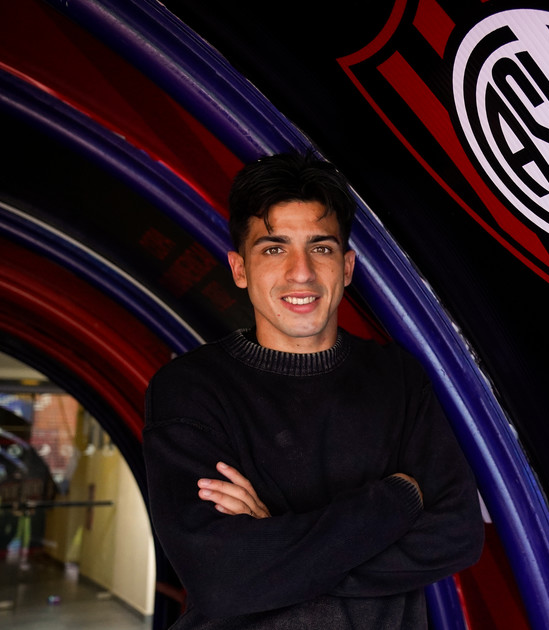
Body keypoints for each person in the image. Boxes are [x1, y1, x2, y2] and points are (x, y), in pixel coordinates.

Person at [143, 151, 483, 629]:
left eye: (321, 248)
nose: (300, 272)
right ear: (239, 269)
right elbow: (223, 580)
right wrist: (399, 498)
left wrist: (275, 549)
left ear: (347, 267)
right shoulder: (191, 389)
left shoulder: (397, 377)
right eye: (274, 249)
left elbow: (456, 535)